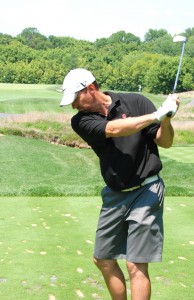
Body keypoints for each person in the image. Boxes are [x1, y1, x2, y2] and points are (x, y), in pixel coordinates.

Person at [60, 68, 179, 300]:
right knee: (102, 259)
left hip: (147, 189)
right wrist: (157, 114)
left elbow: (165, 142)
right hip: (115, 194)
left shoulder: (136, 101)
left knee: (136, 264)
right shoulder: (81, 120)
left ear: (91, 89)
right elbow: (114, 129)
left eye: (75, 98)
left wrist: (167, 117)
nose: (73, 105)